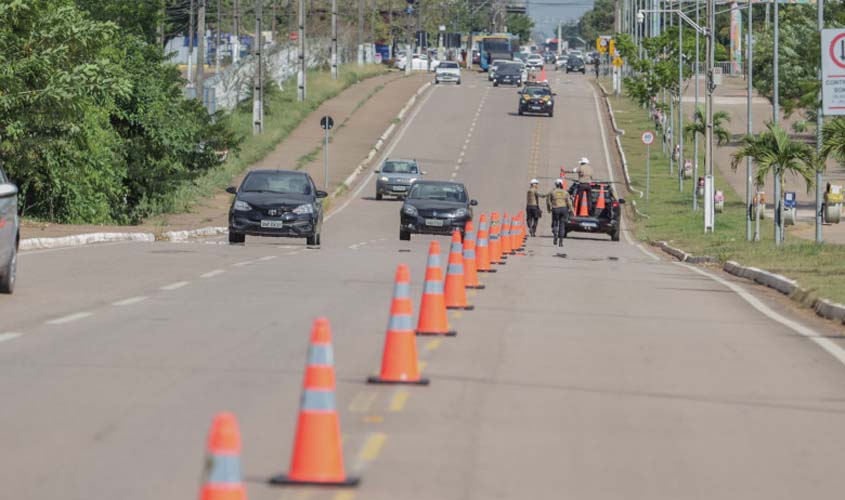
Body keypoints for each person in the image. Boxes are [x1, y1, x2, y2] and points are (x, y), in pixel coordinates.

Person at [546, 178, 572, 246]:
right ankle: (561, 241)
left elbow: (548, 201)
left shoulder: (552, 192)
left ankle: (555, 236)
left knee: (555, 223)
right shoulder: (565, 192)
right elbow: (569, 202)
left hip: (555, 209)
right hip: (564, 209)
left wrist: (549, 209)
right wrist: (572, 210)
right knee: (562, 225)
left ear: (556, 184)